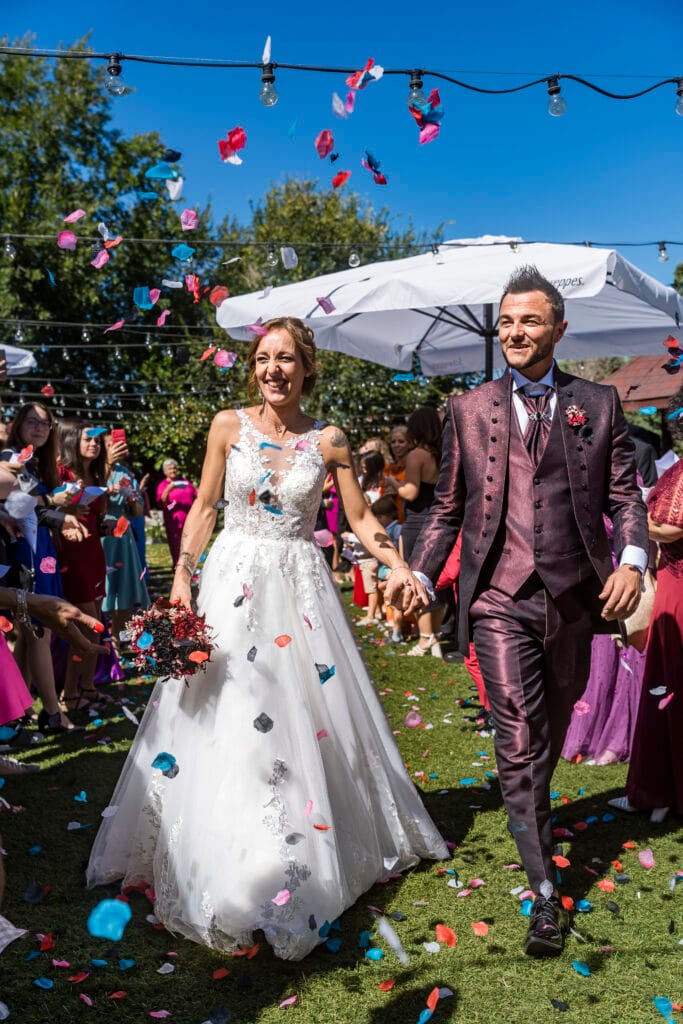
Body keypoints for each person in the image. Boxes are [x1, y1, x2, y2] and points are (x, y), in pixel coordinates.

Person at [86, 316, 448, 960]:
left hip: (300, 591)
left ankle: (299, 844)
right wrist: (182, 580)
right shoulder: (229, 426)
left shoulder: (330, 440)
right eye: (261, 359)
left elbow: (361, 517)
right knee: (224, 708)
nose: (272, 370)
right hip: (231, 581)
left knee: (299, 715)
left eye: (285, 359)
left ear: (307, 367)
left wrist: (395, 564)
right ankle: (218, 846)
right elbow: (202, 507)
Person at [393, 266, 648, 957]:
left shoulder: (596, 404)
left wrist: (631, 560)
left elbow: (625, 499)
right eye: (505, 321)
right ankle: (543, 895)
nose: (513, 332)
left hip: (572, 598)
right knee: (516, 734)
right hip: (498, 598)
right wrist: (419, 572)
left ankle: (531, 812)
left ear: (558, 330)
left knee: (551, 730)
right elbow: (446, 507)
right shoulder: (465, 410)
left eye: (529, 321)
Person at [609, 389, 683, 822]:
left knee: (669, 686)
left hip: (677, 591)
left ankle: (659, 792)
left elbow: (671, 527)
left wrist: (628, 513)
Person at [0, 403, 89, 733]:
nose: (38, 428)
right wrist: (57, 508)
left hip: (39, 549)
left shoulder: (33, 461)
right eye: (31, 421)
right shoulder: (12, 458)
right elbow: (21, 507)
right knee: (41, 629)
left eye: (44, 423)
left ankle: (20, 713)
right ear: (18, 424)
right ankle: (52, 713)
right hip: (25, 553)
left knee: (31, 634)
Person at [384, 407, 445, 658]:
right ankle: (436, 636)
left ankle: (424, 638)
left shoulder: (416, 456)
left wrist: (393, 484)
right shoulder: (443, 454)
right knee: (438, 582)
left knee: (416, 580)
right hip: (439, 521)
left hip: (416, 521)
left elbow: (411, 492)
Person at [155, 459, 198, 566]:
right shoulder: (163, 484)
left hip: (189, 518)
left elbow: (196, 494)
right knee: (177, 544)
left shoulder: (184, 481)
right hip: (174, 520)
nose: (173, 470)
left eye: (174, 468)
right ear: (165, 471)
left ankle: (190, 566)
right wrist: (170, 487)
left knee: (190, 543)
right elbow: (162, 500)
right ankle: (178, 566)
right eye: (170, 468)